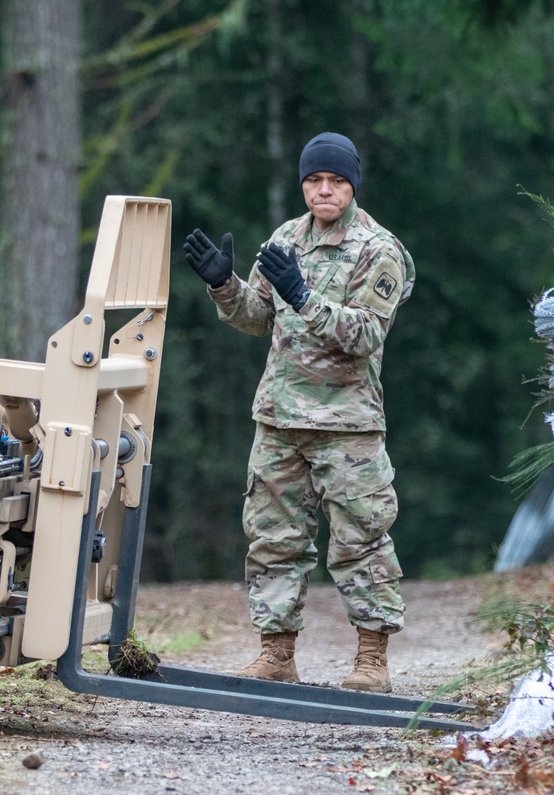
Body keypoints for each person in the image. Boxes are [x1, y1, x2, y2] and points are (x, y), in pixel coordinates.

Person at [182, 132, 415, 693]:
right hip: (280, 418)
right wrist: (223, 285)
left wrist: (305, 297)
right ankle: (276, 653)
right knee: (273, 538)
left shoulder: (378, 250)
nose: (324, 191)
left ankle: (370, 661)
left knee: (361, 540)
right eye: (314, 181)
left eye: (335, 182)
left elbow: (363, 334)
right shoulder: (287, 237)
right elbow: (257, 315)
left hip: (348, 425)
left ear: (352, 185)